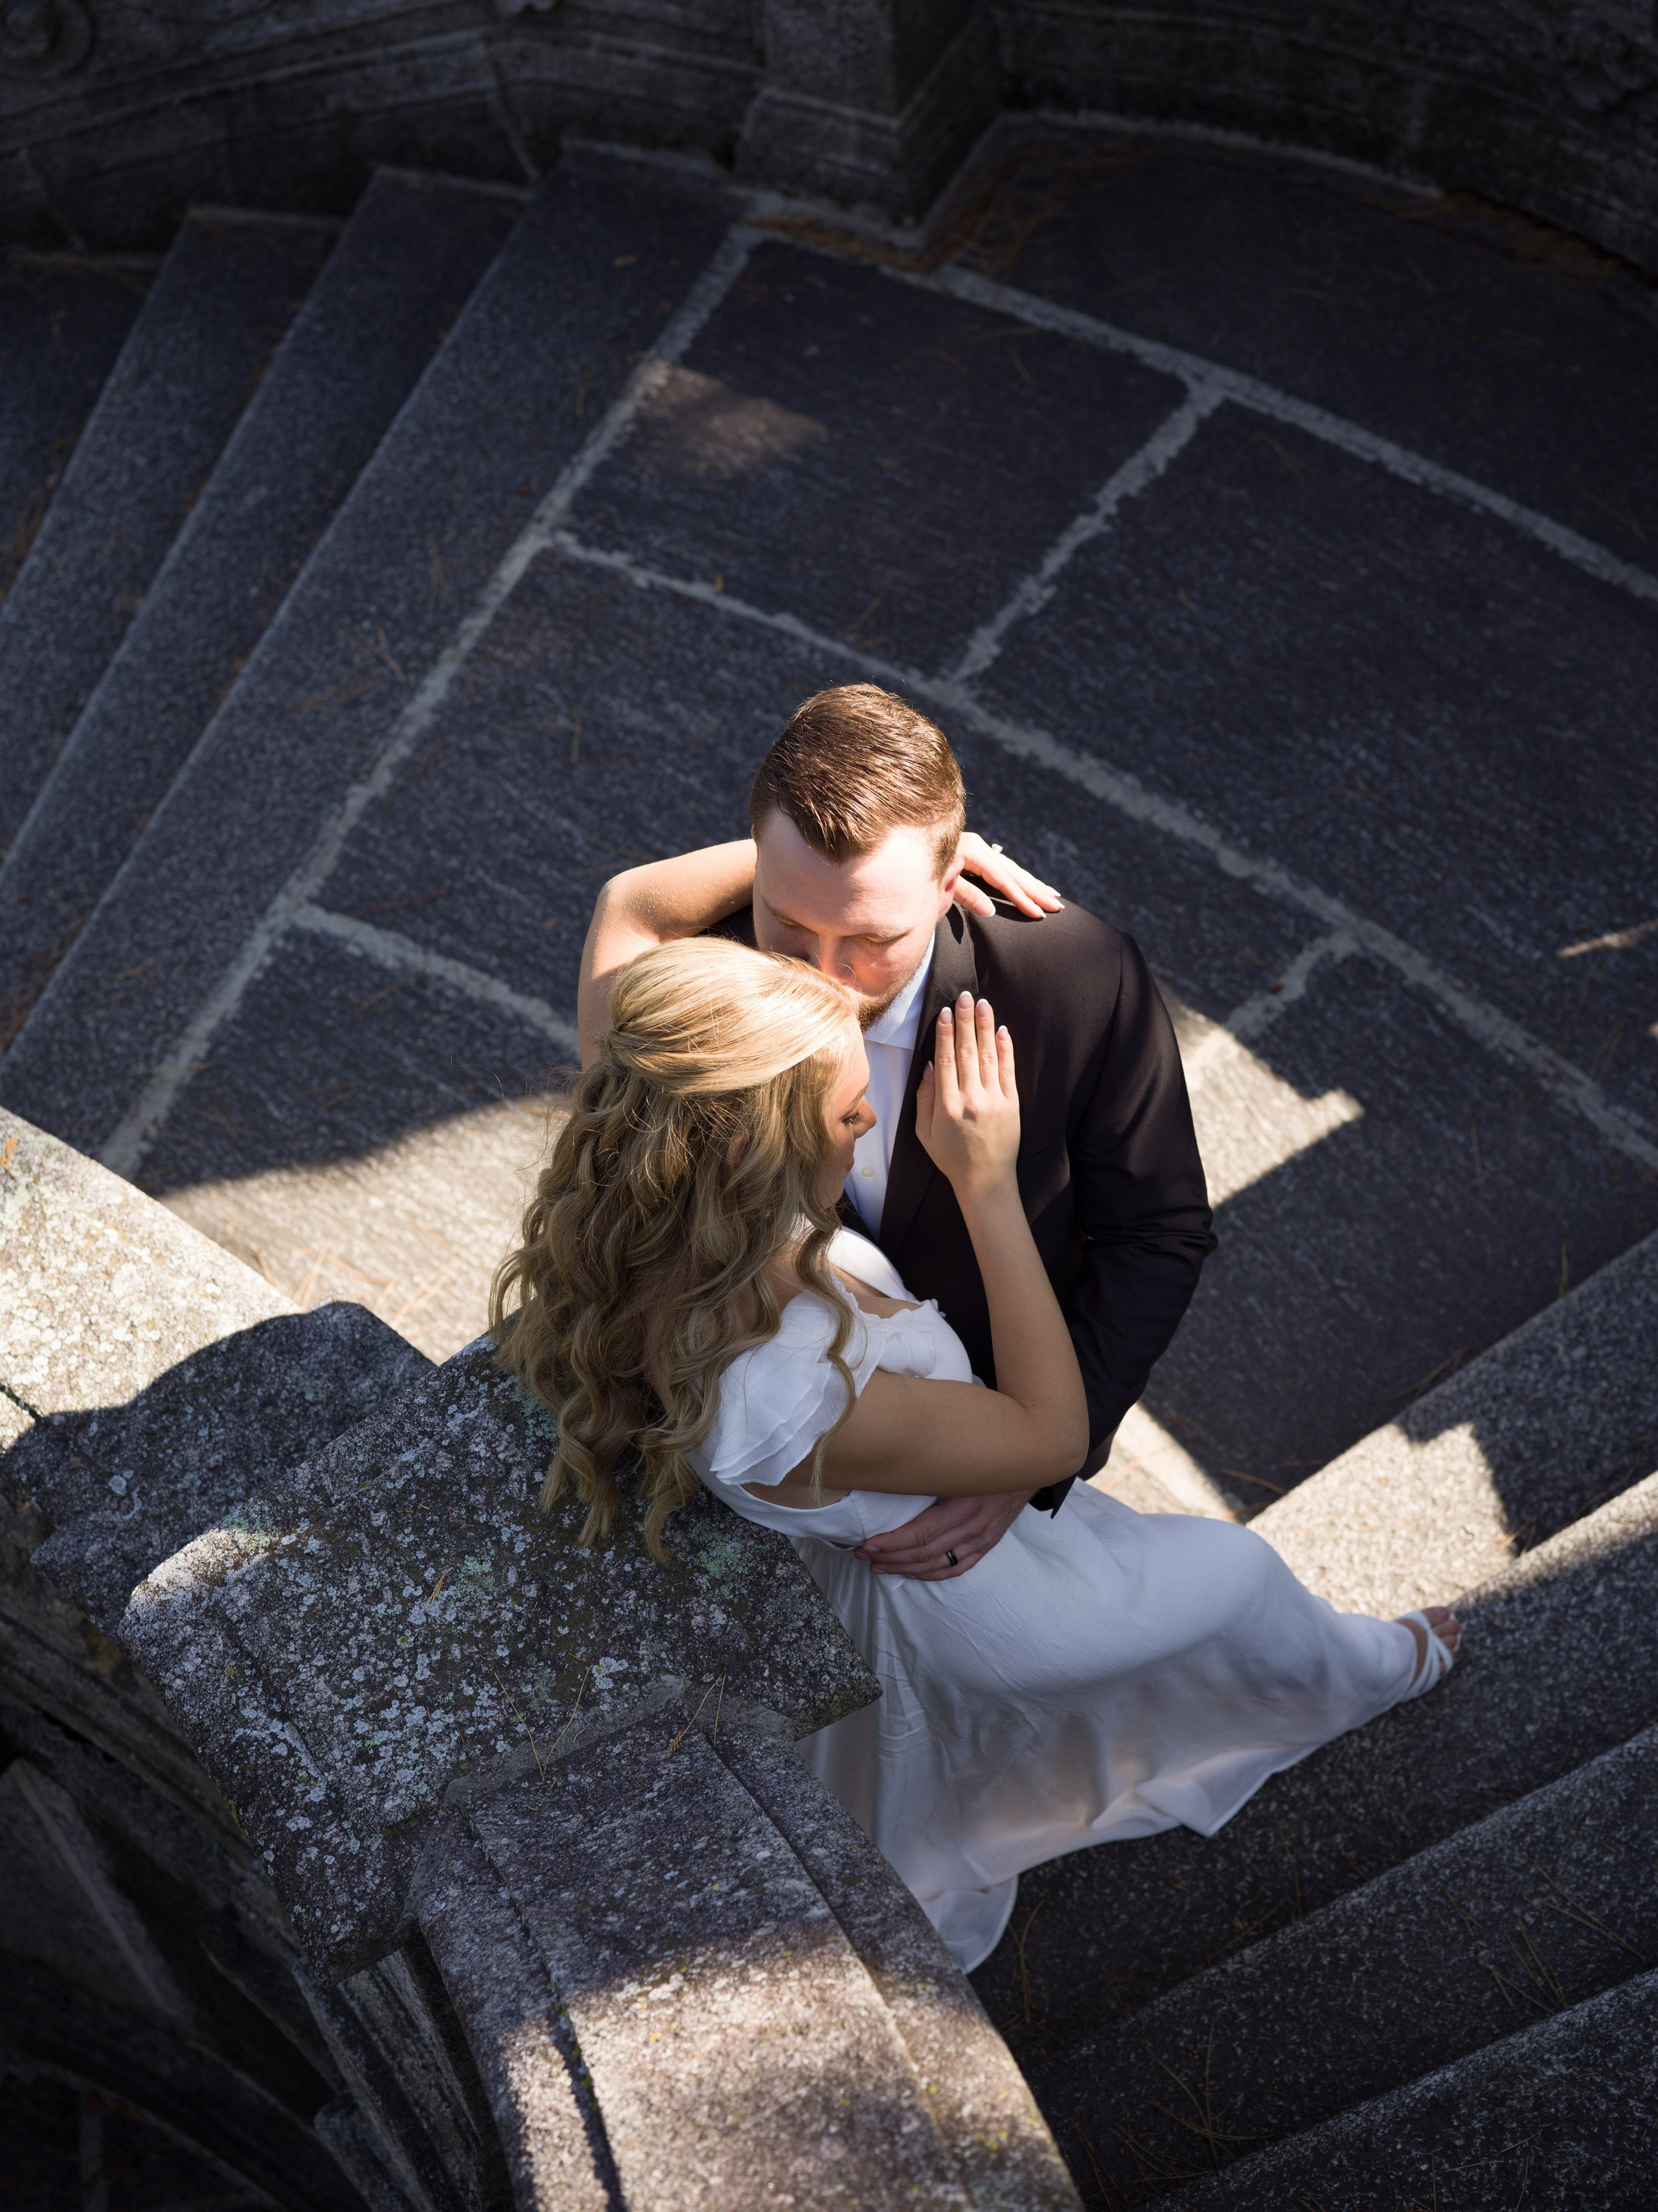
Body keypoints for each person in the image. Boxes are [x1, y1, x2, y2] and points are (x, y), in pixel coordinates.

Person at [494, 937, 1460, 1972]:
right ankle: (1385, 1670)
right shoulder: (777, 1387)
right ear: (745, 1146)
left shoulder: (659, 1145)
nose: (868, 1125)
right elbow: (1050, 1435)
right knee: (1237, 1581)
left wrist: (934, 860)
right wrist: (986, 1183)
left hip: (924, 1537)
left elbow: (633, 903)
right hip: (982, 1598)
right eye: (845, 1112)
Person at [576, 683, 1217, 1585]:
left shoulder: (1076, 978)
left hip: (1005, 1432)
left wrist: (1034, 1465)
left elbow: (1157, 1237)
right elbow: (627, 907)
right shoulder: (710, 987)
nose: (827, 980)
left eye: (871, 936)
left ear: (952, 884)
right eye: (788, 925)